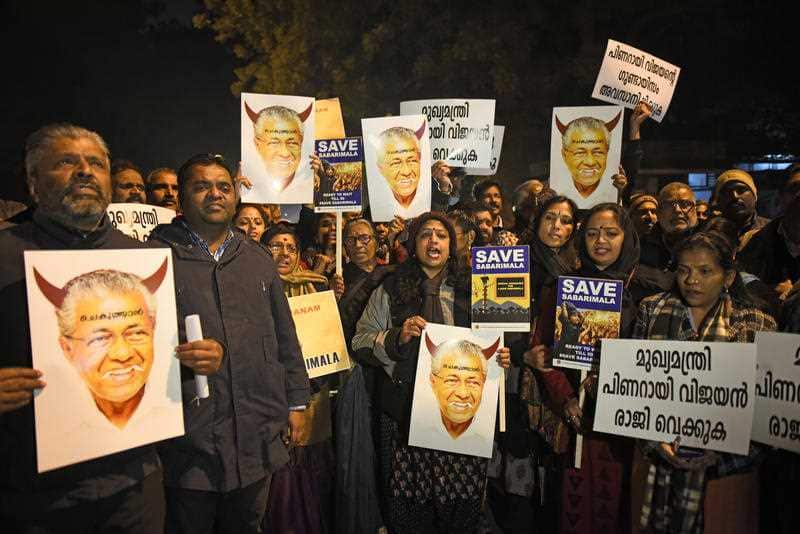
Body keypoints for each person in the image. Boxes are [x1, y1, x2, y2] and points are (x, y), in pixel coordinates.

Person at [0, 123, 164, 532]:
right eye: (66, 162)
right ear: (34, 183)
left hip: (134, 487)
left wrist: (199, 359)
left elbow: (168, 357)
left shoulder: (144, 259)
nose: (85, 171)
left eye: (96, 163)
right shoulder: (4, 256)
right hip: (34, 497)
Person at [150, 153, 311, 534]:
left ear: (236, 196)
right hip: (192, 440)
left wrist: (297, 402)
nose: (215, 194)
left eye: (224, 186)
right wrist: (176, 357)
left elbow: (284, 333)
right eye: (201, 186)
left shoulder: (256, 259)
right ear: (182, 198)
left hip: (257, 432)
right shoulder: (154, 257)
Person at [351, 212, 510, 533]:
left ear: (453, 245)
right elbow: (359, 341)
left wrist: (500, 356)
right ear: (413, 244)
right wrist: (396, 337)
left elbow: (492, 342)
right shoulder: (389, 288)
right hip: (403, 419)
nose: (433, 241)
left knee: (460, 509)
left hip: (462, 420)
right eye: (425, 234)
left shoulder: (476, 289)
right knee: (408, 511)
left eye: (441, 235)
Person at [634, 230, 776, 534]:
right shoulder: (651, 309)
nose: (691, 280)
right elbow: (632, 393)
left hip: (727, 480)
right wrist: (653, 441)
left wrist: (721, 453)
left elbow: (768, 416)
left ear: (727, 277)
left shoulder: (757, 323)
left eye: (705, 271)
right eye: (684, 270)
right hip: (656, 474)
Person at [547, 202, 641, 534]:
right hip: (578, 424)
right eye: (591, 233)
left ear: (626, 237)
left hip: (626, 430)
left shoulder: (646, 289)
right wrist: (566, 399)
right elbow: (544, 353)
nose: (600, 240)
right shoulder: (564, 287)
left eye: (611, 233)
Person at [490, 196, 579, 532]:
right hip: (516, 382)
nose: (557, 227)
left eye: (566, 221)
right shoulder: (513, 260)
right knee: (518, 479)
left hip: (559, 385)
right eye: (550, 218)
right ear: (537, 220)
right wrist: (520, 353)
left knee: (552, 477)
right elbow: (490, 319)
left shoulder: (577, 267)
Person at [33, 264, 167, 429]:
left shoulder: (172, 410)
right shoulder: (57, 426)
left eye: (136, 333)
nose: (122, 354)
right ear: (68, 349)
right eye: (100, 338)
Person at [632, 182, 699, 304]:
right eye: (669, 205)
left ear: (695, 209)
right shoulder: (639, 247)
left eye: (685, 204)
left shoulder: (710, 246)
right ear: (659, 212)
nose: (678, 210)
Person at [243, 101, 314, 203]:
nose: (285, 153)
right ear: (257, 145)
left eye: (292, 143)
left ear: (301, 142)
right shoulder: (249, 190)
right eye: (274, 143)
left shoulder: (311, 186)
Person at [554, 112, 622, 199]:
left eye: (598, 152)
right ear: (564, 155)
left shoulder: (617, 191)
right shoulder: (553, 191)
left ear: (607, 153)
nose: (590, 162)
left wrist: (621, 194)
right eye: (580, 153)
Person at [376, 125, 427, 218]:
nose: (406, 172)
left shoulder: (431, 200)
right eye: (396, 163)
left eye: (412, 160)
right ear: (381, 168)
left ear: (420, 161)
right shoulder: (375, 210)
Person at [712, 169, 769, 250]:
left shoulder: (771, 229)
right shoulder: (709, 232)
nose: (735, 196)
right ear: (719, 200)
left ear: (754, 196)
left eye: (741, 190)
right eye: (727, 192)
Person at [342, 217, 379, 287]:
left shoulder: (388, 271)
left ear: (376, 243)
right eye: (350, 240)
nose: (358, 245)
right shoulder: (341, 276)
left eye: (364, 238)